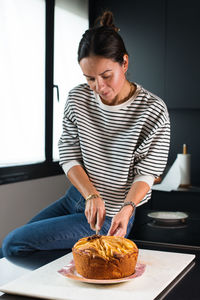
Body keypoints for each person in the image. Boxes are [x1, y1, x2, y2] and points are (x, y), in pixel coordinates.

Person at [2, 11, 170, 258]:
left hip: (112, 214)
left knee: (13, 244)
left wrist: (127, 208)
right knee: (11, 251)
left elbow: (147, 172)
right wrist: (91, 194)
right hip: (76, 199)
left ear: (124, 63)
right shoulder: (78, 98)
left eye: (106, 76)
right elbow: (69, 155)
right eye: (89, 78)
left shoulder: (152, 109)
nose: (99, 87)